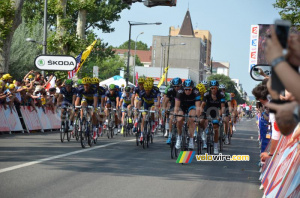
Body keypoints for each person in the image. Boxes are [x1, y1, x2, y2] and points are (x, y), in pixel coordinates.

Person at [199, 80, 225, 154]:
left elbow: (222, 107)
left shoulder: (221, 94)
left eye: (215, 88)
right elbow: (202, 105)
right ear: (210, 88)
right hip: (207, 109)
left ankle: (216, 146)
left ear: (217, 88)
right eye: (212, 88)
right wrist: (201, 112)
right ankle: (204, 132)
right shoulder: (207, 94)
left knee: (216, 127)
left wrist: (220, 116)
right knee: (201, 121)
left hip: (216, 110)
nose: (213, 90)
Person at [174, 79, 201, 150]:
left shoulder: (196, 92)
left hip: (192, 106)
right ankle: (179, 137)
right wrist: (175, 115)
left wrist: (197, 117)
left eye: (189, 89)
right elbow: (176, 107)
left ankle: (191, 140)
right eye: (186, 89)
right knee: (179, 119)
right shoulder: (180, 92)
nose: (188, 91)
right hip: (182, 106)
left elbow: (198, 107)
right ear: (184, 88)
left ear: (192, 88)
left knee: (192, 118)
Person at [162, 77, 182, 144]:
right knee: (171, 117)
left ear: (181, 85)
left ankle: (183, 133)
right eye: (175, 86)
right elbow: (165, 101)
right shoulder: (170, 90)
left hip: (182, 104)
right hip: (173, 104)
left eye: (178, 86)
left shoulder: (183, 90)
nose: (176, 88)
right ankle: (170, 135)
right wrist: (165, 109)